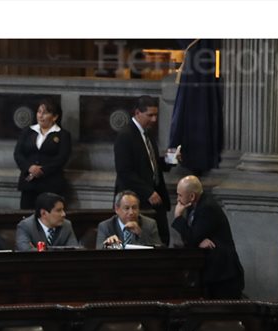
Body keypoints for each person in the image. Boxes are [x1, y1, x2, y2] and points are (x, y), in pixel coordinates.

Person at [172, 175, 245, 299]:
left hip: (223, 275)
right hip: (211, 273)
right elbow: (191, 238)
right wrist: (198, 241)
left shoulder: (207, 207)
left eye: (180, 195)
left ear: (192, 196)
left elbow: (192, 237)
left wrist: (178, 217)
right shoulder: (192, 206)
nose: (178, 199)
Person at [113, 95, 172, 237]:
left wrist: (169, 160)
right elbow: (124, 171)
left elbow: (151, 164)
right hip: (137, 201)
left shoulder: (147, 133)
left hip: (155, 199)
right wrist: (148, 192)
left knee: (162, 238)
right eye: (150, 115)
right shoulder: (125, 135)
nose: (154, 119)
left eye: (156, 115)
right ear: (137, 113)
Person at [13, 99, 72, 210]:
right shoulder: (27, 132)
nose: (40, 116)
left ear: (54, 117)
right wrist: (29, 167)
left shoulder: (63, 135)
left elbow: (62, 158)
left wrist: (42, 170)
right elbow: (18, 154)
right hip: (29, 183)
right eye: (39, 112)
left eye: (45, 113)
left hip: (51, 184)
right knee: (26, 215)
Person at [95, 190, 164, 249]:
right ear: (117, 209)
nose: (131, 212)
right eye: (127, 208)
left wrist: (141, 234)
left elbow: (159, 249)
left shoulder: (150, 224)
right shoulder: (105, 226)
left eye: (134, 208)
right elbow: (98, 250)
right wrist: (107, 245)